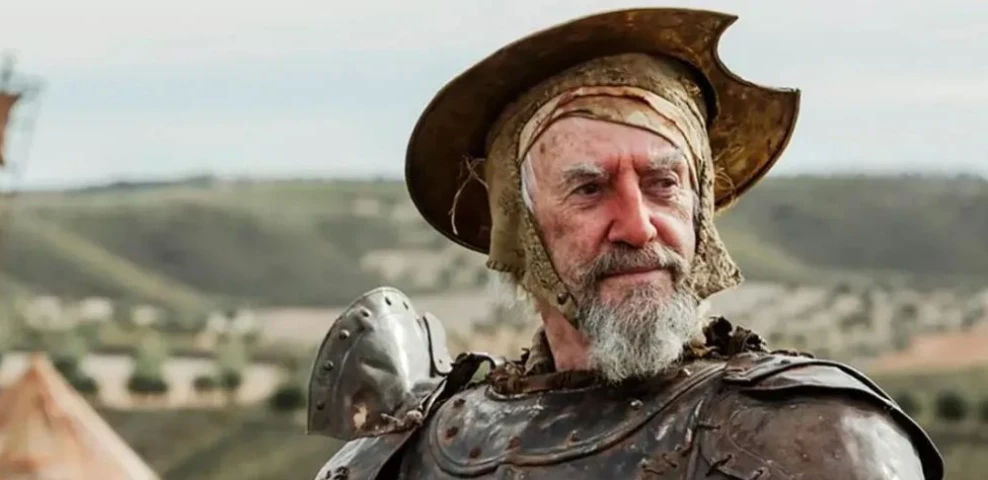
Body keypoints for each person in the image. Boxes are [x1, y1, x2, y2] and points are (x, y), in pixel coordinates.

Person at [305, 7, 944, 480]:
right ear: (521, 230)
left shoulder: (817, 440)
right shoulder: (420, 449)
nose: (638, 226)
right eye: (589, 189)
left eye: (664, 184)